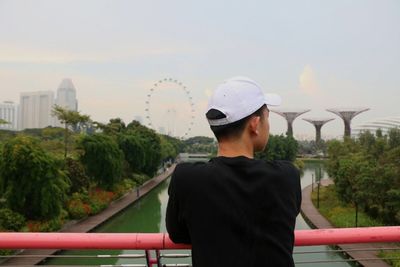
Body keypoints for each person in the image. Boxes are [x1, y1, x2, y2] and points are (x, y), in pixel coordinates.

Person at [166, 76, 301, 267]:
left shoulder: (186, 178)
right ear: (254, 124)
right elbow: (286, 220)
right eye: (267, 117)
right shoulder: (287, 176)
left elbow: (178, 234)